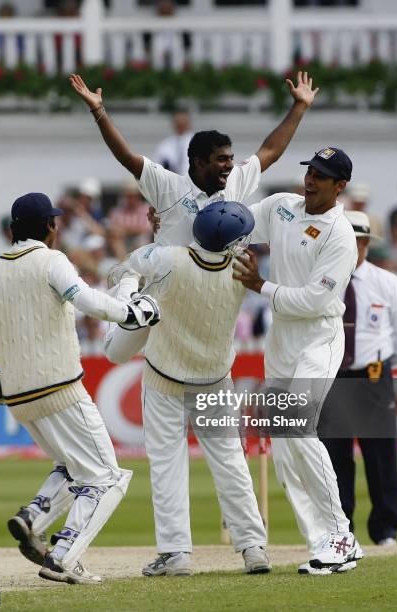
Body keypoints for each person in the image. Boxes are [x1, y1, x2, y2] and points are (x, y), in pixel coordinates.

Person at [0, 193, 160, 585]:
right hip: (61, 389)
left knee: (74, 465)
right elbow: (84, 300)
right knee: (106, 478)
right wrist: (131, 313)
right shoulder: (51, 260)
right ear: (51, 227)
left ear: (12, 231)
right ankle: (62, 555)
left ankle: (34, 517)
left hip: (18, 398)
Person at [69, 70, 319, 362]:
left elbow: (271, 150)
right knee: (114, 355)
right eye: (221, 159)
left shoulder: (235, 181)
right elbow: (126, 156)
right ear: (199, 162)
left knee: (207, 365)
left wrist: (299, 106)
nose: (229, 166)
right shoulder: (167, 186)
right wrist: (98, 110)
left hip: (207, 292)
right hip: (162, 292)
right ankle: (128, 286)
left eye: (230, 158)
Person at [233, 147, 362, 575]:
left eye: (322, 177)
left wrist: (260, 286)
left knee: (298, 429)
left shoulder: (339, 235)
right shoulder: (282, 207)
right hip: (282, 338)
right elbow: (236, 223)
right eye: (310, 171)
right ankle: (324, 541)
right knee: (284, 445)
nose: (310, 180)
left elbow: (314, 299)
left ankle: (341, 534)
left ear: (339, 186)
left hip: (318, 337)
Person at [123, 201, 269, 577]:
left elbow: (122, 269)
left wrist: (134, 277)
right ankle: (253, 548)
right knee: (231, 464)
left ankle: (176, 555)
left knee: (168, 465)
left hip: (164, 378)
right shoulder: (243, 272)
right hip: (214, 380)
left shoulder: (170, 258)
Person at [319, 210, 397, 546]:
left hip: (373, 375)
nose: (353, 247)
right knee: (334, 457)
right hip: (334, 375)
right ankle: (340, 529)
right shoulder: (325, 280)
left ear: (364, 244)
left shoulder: (387, 282)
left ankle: (386, 530)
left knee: (380, 456)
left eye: (358, 241)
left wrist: (380, 365)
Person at [153, 109, 193, 175]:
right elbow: (156, 167)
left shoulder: (200, 143)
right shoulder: (164, 146)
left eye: (183, 120)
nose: (181, 123)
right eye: (178, 121)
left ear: (189, 122)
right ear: (173, 123)